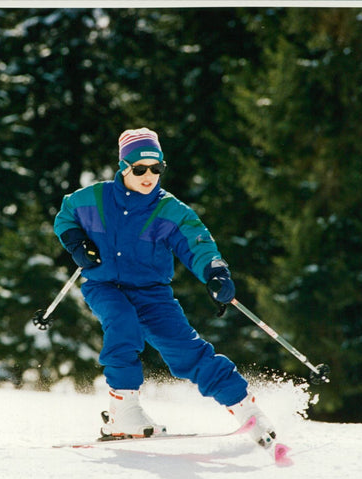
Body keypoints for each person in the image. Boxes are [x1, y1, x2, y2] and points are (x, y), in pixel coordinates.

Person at [53, 127, 277, 448]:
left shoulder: (169, 210)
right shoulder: (93, 199)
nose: (149, 176)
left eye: (156, 168)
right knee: (122, 323)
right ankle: (124, 410)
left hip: (152, 293)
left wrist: (215, 272)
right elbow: (65, 215)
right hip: (105, 285)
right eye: (140, 169)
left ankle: (246, 409)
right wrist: (76, 243)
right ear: (123, 168)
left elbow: (198, 243)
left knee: (186, 350)